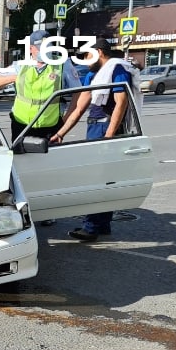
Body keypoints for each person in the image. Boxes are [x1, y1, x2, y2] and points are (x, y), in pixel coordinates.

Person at [49, 36, 139, 242]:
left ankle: (91, 228)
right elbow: (80, 108)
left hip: (105, 128)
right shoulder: (93, 75)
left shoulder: (116, 70)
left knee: (98, 179)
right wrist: (61, 132)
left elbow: (121, 103)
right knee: (104, 179)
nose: (84, 60)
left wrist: (108, 137)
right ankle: (102, 224)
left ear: (99, 52)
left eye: (87, 55)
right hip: (94, 127)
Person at [0, 28, 82, 142]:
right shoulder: (21, 66)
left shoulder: (63, 64)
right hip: (21, 126)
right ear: (30, 48)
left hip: (50, 128)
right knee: (20, 160)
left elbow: (79, 94)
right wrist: (16, 78)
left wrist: (64, 124)